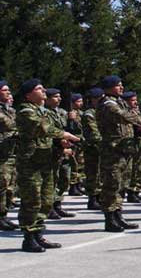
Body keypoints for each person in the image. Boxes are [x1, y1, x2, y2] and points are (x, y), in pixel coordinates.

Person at [15, 79, 80, 252]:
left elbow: (46, 136)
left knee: (45, 200)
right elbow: (41, 128)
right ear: (28, 94)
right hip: (31, 163)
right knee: (32, 200)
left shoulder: (42, 110)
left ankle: (38, 234)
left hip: (45, 161)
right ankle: (28, 238)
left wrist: (60, 143)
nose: (43, 90)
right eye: (38, 88)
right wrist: (63, 134)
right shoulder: (25, 110)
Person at [97, 75, 141, 232]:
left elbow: (126, 123)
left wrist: (139, 128)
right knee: (112, 185)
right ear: (109, 87)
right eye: (118, 85)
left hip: (125, 149)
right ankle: (110, 219)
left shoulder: (120, 101)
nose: (121, 88)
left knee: (122, 184)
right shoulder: (108, 103)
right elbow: (122, 116)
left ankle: (118, 215)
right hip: (113, 151)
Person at [44, 88, 76, 219]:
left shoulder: (62, 112)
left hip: (63, 151)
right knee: (53, 179)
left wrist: (72, 120)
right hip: (53, 150)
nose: (59, 99)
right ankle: (49, 207)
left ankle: (57, 204)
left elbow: (68, 130)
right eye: (56, 97)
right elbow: (49, 132)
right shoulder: (45, 113)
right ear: (48, 99)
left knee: (64, 178)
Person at [0, 81, 18, 231]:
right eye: (5, 90)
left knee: (10, 185)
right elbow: (10, 128)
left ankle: (4, 214)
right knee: (2, 185)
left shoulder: (10, 110)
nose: (8, 92)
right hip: (1, 153)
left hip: (11, 152)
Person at [82, 88, 104, 210]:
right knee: (93, 173)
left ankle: (99, 196)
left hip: (101, 147)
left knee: (100, 173)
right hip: (92, 148)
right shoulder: (90, 113)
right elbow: (94, 133)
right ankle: (92, 198)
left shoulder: (101, 111)